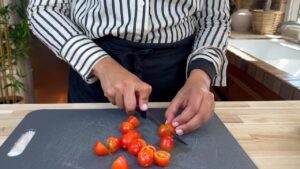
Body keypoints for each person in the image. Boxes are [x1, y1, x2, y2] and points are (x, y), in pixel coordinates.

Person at [27, 0, 230, 136]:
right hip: (94, 71)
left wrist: (200, 77)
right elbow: (43, 9)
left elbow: (215, 20)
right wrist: (100, 63)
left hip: (176, 77)